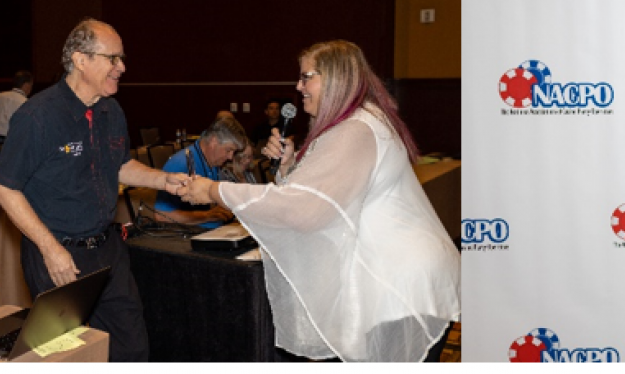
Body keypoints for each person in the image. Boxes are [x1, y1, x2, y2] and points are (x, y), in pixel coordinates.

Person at [178, 40, 460, 362]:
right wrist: (288, 168)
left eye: (306, 77)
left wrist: (214, 191)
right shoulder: (362, 121)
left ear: (335, 78)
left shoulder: (354, 130)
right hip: (404, 277)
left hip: (399, 283)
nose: (298, 87)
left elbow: (304, 210)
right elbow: (325, 200)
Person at [0, 18, 188, 362]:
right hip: (58, 255)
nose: (122, 67)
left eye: (122, 58)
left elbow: (119, 165)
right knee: (66, 357)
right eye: (113, 58)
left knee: (131, 347)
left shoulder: (111, 110)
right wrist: (50, 249)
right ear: (81, 60)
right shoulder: (37, 116)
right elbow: (6, 188)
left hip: (107, 250)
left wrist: (162, 179)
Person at [152, 117, 244, 229]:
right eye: (228, 150)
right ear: (214, 141)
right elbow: (161, 216)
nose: (230, 157)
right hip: (191, 236)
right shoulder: (181, 163)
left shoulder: (212, 161)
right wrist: (207, 216)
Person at [0, 70, 34, 158]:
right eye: (31, 86)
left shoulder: (0, 96)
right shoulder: (25, 102)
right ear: (26, 85)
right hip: (15, 141)